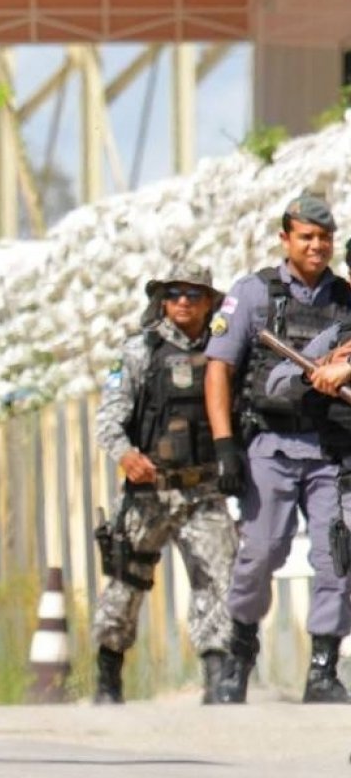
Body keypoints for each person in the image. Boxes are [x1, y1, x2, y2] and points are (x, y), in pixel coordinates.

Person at [204, 192, 351, 704]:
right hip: (271, 445)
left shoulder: (346, 299)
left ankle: (323, 669)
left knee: (337, 558)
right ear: (285, 238)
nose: (317, 246)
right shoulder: (253, 294)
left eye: (325, 237)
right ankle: (240, 650)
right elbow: (219, 369)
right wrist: (225, 445)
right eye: (306, 236)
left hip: (333, 450)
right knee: (261, 553)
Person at [93, 263, 237, 704]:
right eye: (174, 294)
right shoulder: (140, 351)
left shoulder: (224, 350)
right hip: (149, 492)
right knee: (126, 581)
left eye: (194, 294)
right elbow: (109, 419)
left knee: (219, 582)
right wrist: (126, 456)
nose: (183, 302)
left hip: (203, 491)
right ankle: (107, 675)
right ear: (161, 299)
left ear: (209, 301)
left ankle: (217, 678)